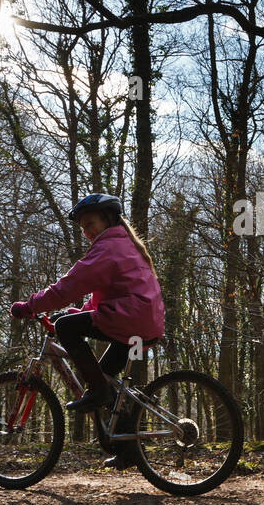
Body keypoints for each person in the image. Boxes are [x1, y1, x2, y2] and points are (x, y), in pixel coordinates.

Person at [10, 194, 164, 468]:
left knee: (68, 332)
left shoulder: (109, 247)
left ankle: (99, 393)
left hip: (131, 318)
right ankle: (129, 450)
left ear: (108, 219)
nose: (87, 231)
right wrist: (77, 313)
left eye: (90, 223)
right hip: (140, 321)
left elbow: (68, 286)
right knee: (103, 379)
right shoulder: (120, 244)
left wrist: (31, 306)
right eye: (82, 227)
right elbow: (100, 298)